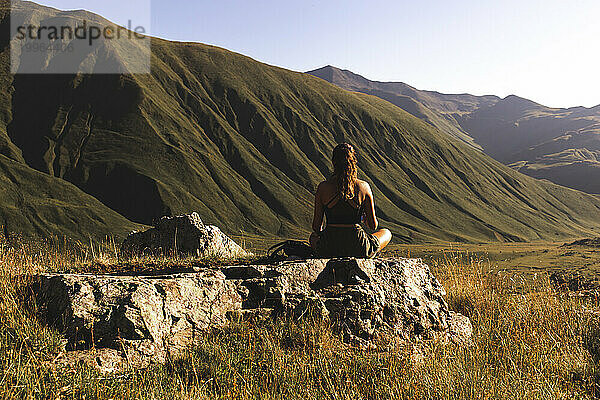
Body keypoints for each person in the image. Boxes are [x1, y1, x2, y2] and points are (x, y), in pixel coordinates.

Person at [309, 143, 392, 258]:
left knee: (313, 237)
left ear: (334, 162)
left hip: (330, 246)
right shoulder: (364, 186)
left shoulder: (323, 187)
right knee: (386, 233)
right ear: (354, 162)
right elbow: (373, 226)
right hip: (358, 246)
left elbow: (316, 227)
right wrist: (362, 218)